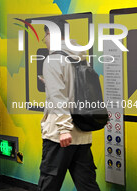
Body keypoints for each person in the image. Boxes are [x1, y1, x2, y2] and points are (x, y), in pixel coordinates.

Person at [38, 19, 100, 191]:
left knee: (49, 184)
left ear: (51, 34)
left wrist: (64, 129)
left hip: (60, 136)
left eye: (45, 35)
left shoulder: (53, 60)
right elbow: (78, 89)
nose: (45, 39)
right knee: (87, 184)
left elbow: (59, 96)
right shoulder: (81, 57)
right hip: (82, 133)